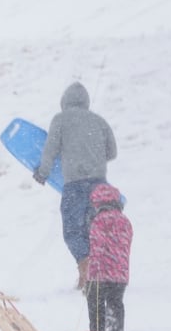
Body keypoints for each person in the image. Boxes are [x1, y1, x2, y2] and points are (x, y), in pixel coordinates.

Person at [34, 82, 117, 288]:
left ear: (64, 101)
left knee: (73, 230)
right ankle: (98, 273)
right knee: (96, 230)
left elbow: (50, 149)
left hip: (75, 185)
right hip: (100, 187)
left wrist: (43, 173)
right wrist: (93, 157)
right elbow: (112, 152)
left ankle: (86, 267)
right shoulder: (99, 121)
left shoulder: (61, 120)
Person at [84, 183, 132, 331]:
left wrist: (92, 272)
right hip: (120, 274)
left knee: (95, 304)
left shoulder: (99, 220)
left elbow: (97, 247)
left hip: (101, 272)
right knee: (115, 302)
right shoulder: (125, 221)